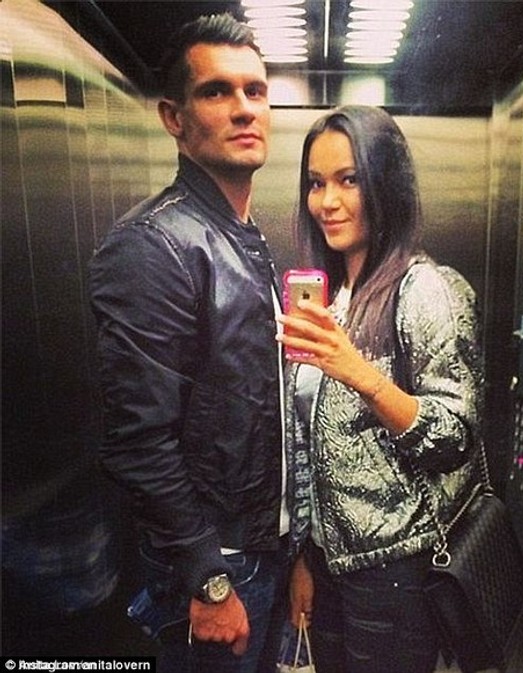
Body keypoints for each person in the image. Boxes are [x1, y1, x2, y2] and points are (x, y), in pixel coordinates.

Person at [89, 13, 288, 673]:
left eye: (255, 91)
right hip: (214, 565)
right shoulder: (154, 245)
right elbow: (138, 440)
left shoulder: (243, 236)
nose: (244, 108)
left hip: (258, 548)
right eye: (216, 91)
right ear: (174, 117)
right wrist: (208, 577)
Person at [277, 105, 486, 673]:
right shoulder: (329, 296)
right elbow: (309, 443)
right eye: (316, 183)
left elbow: (454, 439)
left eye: (349, 180)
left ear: (385, 185)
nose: (327, 201)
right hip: (327, 564)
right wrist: (303, 556)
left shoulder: (426, 290)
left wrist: (360, 374)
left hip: (396, 573)